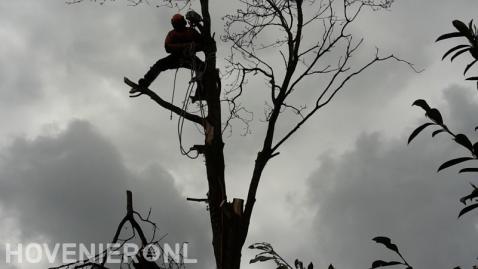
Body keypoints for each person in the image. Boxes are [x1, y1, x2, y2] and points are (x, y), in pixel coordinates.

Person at [135, 13, 206, 102]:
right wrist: (187, 46)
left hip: (188, 57)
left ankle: (201, 92)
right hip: (177, 57)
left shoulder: (190, 31)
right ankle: (145, 82)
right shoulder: (174, 34)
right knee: (160, 64)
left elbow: (202, 43)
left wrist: (194, 46)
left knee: (203, 68)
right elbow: (168, 47)